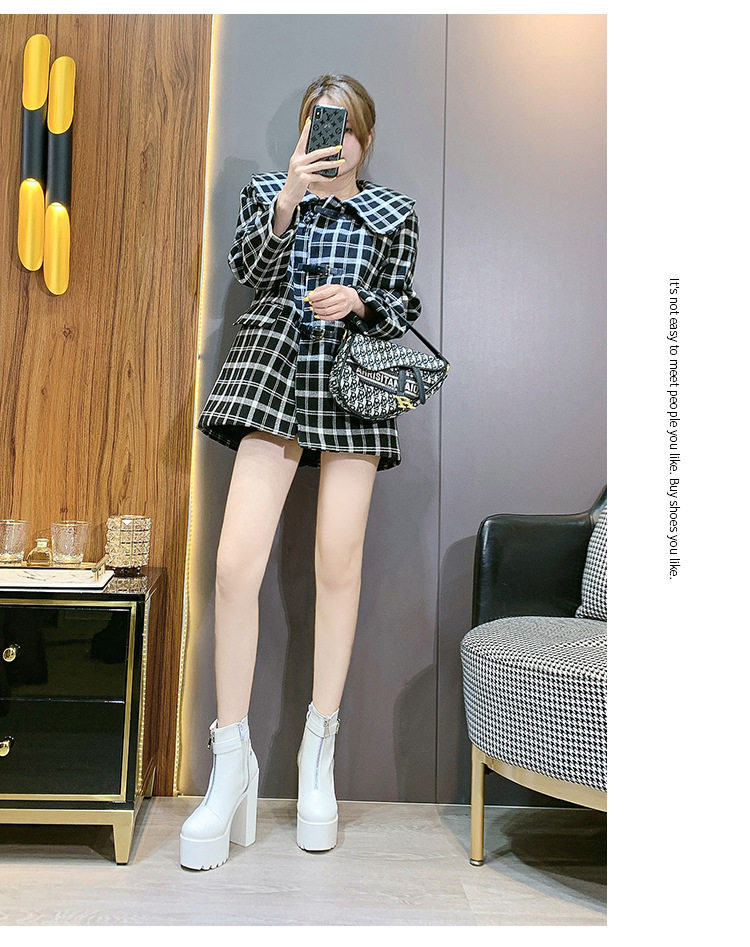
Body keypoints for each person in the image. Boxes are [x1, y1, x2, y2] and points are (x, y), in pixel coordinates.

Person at [179, 75, 421, 870]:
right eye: (321, 121)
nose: (333, 137)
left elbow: (402, 307)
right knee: (233, 565)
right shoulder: (268, 191)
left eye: (345, 126)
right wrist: (288, 192)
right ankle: (232, 761)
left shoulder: (393, 213)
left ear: (365, 140)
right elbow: (250, 267)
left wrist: (360, 302)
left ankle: (319, 751)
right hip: (277, 368)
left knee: (337, 565)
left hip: (351, 378)